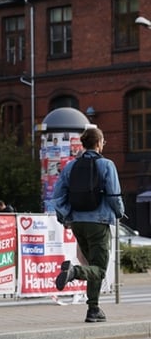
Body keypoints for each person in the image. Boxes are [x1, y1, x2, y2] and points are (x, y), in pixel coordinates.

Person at [51, 127, 124, 323]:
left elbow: (57, 196)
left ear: (84, 144)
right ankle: (74, 272)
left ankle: (93, 309)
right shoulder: (107, 165)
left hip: (77, 223)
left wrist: (66, 216)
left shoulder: (70, 167)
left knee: (92, 265)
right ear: (99, 143)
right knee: (99, 268)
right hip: (98, 223)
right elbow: (113, 195)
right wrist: (119, 213)